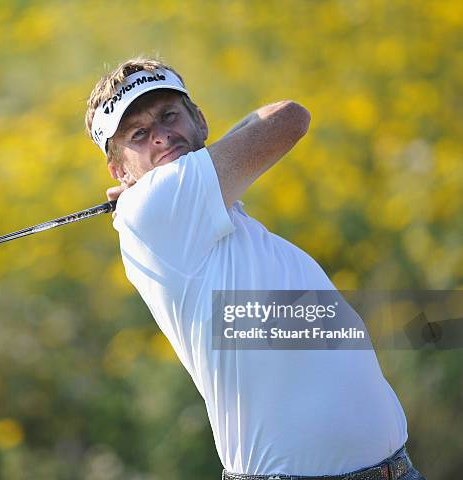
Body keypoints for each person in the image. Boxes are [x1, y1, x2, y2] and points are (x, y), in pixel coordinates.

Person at [85, 57, 426, 480]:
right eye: (139, 134)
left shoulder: (200, 209)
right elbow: (289, 118)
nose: (161, 136)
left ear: (198, 120)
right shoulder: (154, 209)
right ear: (118, 169)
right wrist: (180, 172)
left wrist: (195, 166)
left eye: (170, 116)